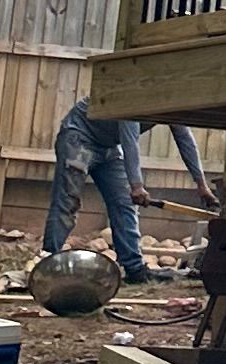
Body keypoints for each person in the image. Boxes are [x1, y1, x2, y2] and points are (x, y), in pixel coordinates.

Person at [41, 104, 207, 280]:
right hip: (80, 139)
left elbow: (185, 139)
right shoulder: (136, 99)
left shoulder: (172, 105)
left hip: (109, 147)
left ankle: (135, 270)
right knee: (68, 201)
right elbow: (130, 140)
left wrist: (201, 185)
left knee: (125, 203)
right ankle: (46, 266)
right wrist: (136, 185)